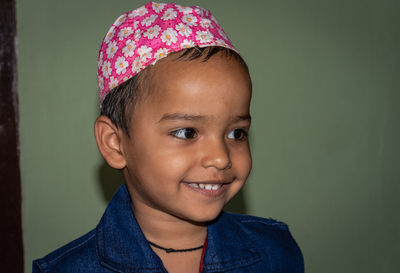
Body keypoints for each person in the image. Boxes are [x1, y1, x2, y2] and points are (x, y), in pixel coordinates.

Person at [32, 2, 304, 272]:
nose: (221, 158)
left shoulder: (277, 252)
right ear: (115, 144)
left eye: (237, 133)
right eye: (187, 132)